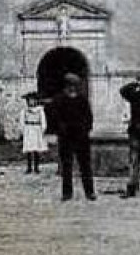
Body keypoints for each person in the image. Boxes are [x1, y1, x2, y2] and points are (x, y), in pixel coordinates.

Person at [44, 73, 95, 202]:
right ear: (66, 86)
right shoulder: (59, 99)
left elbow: (89, 117)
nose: (72, 88)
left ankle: (90, 192)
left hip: (81, 137)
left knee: (85, 165)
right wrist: (61, 130)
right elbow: (54, 117)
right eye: (70, 86)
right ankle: (67, 193)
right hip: (66, 138)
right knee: (66, 166)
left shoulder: (82, 100)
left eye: (75, 86)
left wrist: (85, 129)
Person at [19, 91, 47, 174]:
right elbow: (22, 121)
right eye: (30, 100)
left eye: (33, 100)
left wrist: (42, 129)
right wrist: (23, 129)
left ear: (36, 101)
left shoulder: (39, 110)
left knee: (36, 149)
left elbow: (43, 120)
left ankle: (36, 167)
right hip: (28, 129)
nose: (31, 102)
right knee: (29, 149)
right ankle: (29, 167)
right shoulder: (24, 111)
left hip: (36, 129)